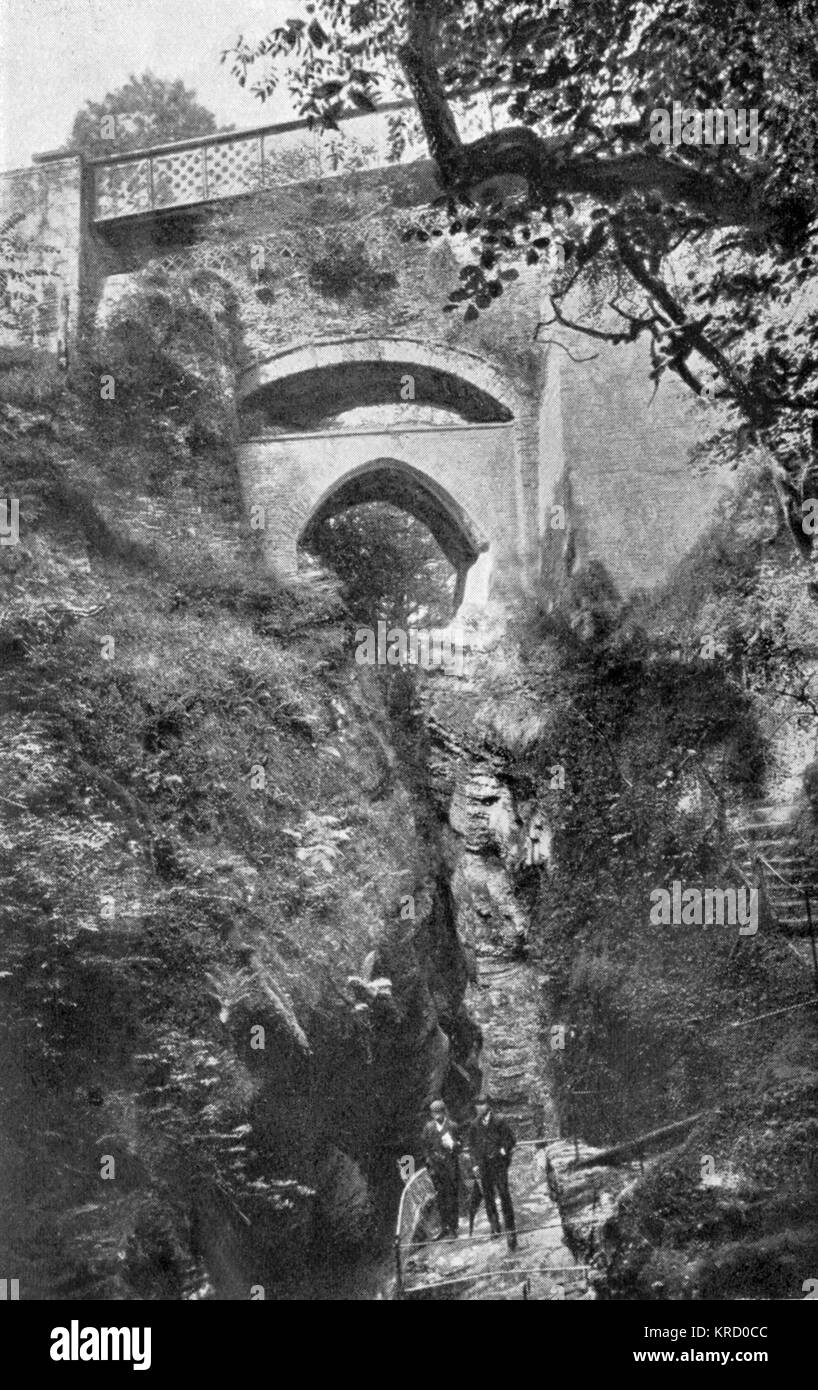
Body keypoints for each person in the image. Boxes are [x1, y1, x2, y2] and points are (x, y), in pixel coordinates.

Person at [468, 1097, 517, 1251]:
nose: (479, 1108)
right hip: (484, 1166)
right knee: (488, 1196)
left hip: (498, 1164)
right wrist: (475, 1164)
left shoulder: (499, 1121)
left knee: (504, 1194)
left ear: (488, 1105)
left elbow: (511, 1139)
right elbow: (472, 1146)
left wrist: (503, 1150)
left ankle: (510, 1228)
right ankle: (494, 1226)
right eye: (477, 1105)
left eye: (482, 1104)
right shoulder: (474, 1125)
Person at [422, 1099, 461, 1239]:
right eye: (434, 1113)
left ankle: (453, 1228)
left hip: (450, 1168)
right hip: (436, 1169)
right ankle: (444, 1227)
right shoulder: (428, 1128)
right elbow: (426, 1148)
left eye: (439, 1112)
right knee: (441, 1198)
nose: (437, 1116)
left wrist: (452, 1145)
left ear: (444, 1112)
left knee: (451, 1197)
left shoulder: (452, 1126)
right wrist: (429, 1162)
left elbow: (459, 1148)